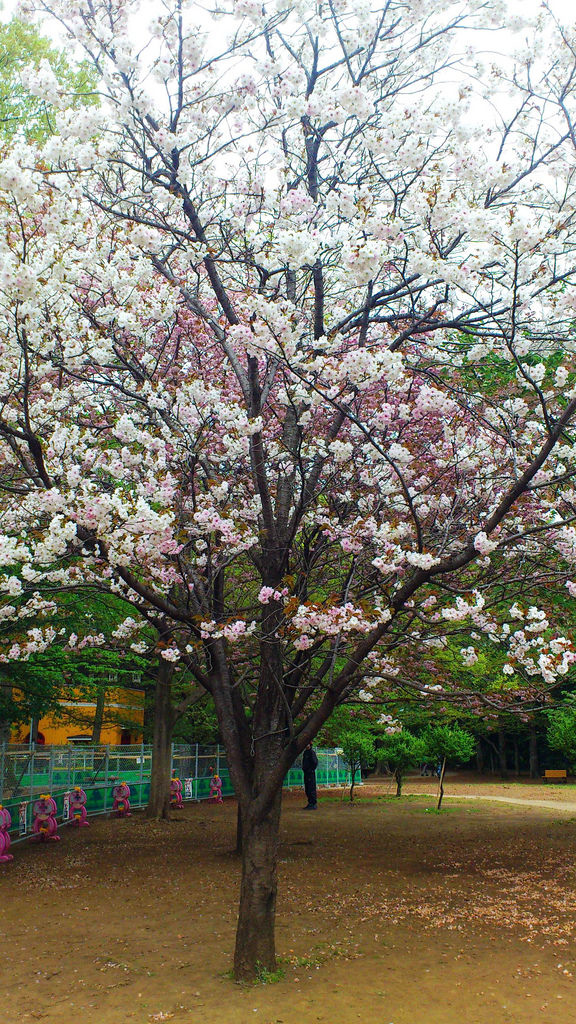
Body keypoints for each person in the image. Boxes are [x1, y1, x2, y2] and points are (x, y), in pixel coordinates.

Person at [302, 742, 318, 810]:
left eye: (308, 744)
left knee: (311, 788)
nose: (306, 745)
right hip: (306, 773)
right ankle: (310, 803)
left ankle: (313, 803)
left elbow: (315, 762)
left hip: (310, 773)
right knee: (307, 788)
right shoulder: (305, 753)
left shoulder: (312, 753)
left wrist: (311, 770)